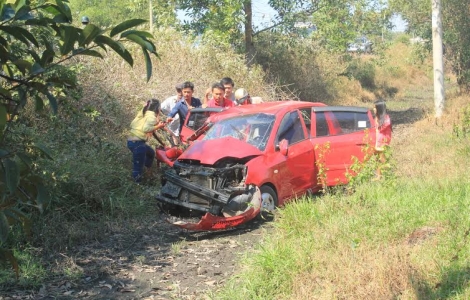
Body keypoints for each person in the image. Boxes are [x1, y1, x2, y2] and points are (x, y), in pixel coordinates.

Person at [127, 99, 166, 183]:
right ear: (158, 108)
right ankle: (136, 185)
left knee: (151, 153)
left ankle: (148, 171)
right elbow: (146, 129)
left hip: (131, 141)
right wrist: (158, 126)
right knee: (138, 167)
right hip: (138, 143)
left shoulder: (143, 113)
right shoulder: (151, 117)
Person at [373, 99, 392, 179]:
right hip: (377, 141)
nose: (373, 109)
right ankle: (378, 176)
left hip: (383, 142)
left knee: (382, 159)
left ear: (379, 108)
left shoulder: (386, 118)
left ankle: (386, 175)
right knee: (377, 159)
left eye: (375, 107)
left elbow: (380, 129)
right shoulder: (377, 118)